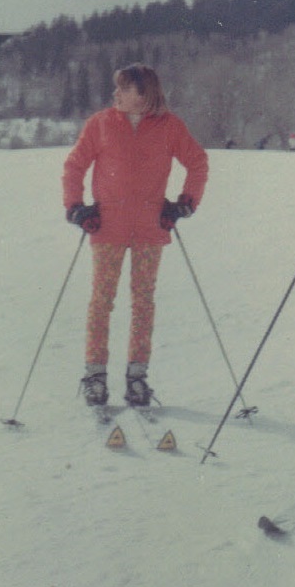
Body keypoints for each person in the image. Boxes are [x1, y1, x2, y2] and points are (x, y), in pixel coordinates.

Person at [62, 64, 209, 409]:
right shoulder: (100, 124)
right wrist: (76, 207)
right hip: (107, 226)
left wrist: (185, 203)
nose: (116, 93)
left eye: (124, 88)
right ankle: (95, 376)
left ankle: (137, 377)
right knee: (102, 300)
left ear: (143, 94)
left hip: (149, 228)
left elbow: (198, 162)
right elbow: (74, 166)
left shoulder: (170, 127)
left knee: (143, 302)